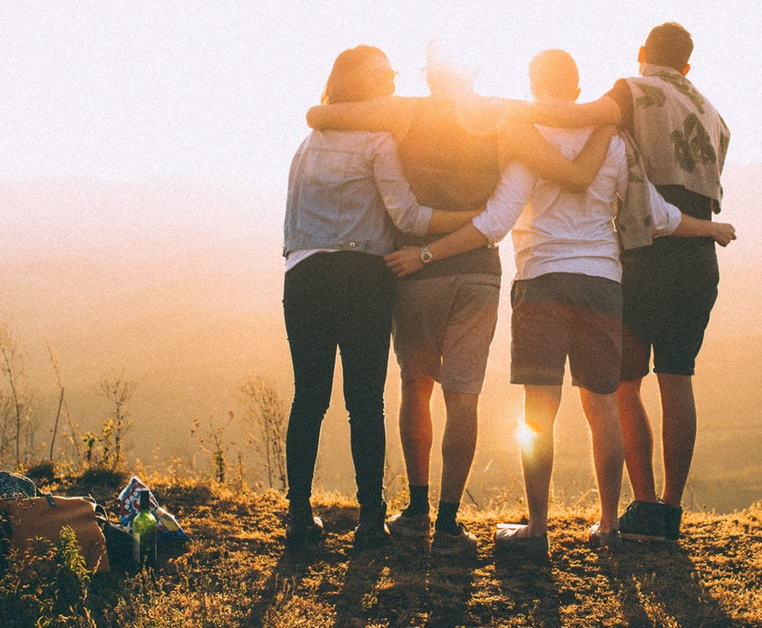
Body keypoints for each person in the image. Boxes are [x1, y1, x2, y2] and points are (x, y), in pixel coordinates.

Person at [385, 49, 734, 556]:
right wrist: (711, 228)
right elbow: (657, 215)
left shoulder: (527, 139)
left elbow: (496, 222)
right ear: (576, 89)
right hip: (602, 286)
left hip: (541, 282)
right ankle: (610, 526)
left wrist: (427, 253)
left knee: (538, 413)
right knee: (603, 408)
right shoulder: (613, 142)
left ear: (533, 84)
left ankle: (537, 529)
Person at [306, 40, 612, 555]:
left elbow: (320, 115)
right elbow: (571, 174)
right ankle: (449, 523)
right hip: (478, 272)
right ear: (474, 71)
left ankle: (417, 508)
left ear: (430, 77)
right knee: (463, 396)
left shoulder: (403, 113)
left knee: (416, 385)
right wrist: (608, 123)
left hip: (415, 268)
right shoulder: (502, 119)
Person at [509, 23, 732, 542]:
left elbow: (577, 116)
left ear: (641, 55)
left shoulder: (633, 91)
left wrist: (503, 111)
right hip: (696, 254)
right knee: (678, 378)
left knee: (622, 386)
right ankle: (668, 514)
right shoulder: (715, 115)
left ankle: (642, 505)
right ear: (688, 66)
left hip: (645, 251)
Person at [282, 45, 481, 551]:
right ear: (360, 85)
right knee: (364, 403)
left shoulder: (307, 144)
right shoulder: (378, 142)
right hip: (362, 278)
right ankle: (371, 520)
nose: (392, 82)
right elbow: (409, 219)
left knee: (309, 398)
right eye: (384, 76)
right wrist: (473, 220)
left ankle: (299, 517)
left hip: (303, 275)